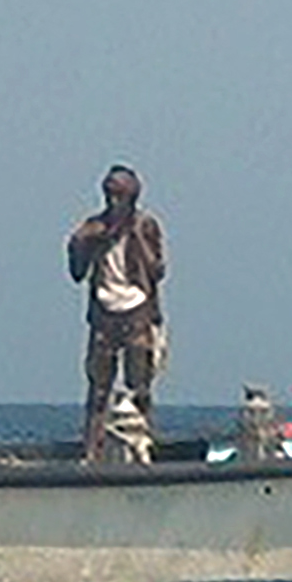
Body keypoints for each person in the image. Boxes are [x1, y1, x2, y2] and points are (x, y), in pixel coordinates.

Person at [66, 163, 166, 463]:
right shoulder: (93, 227)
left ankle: (143, 446)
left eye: (119, 196)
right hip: (104, 312)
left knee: (139, 384)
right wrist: (88, 241)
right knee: (99, 387)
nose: (113, 202)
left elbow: (158, 270)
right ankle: (92, 450)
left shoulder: (145, 225)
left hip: (136, 310)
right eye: (109, 195)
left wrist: (133, 236)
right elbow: (76, 270)